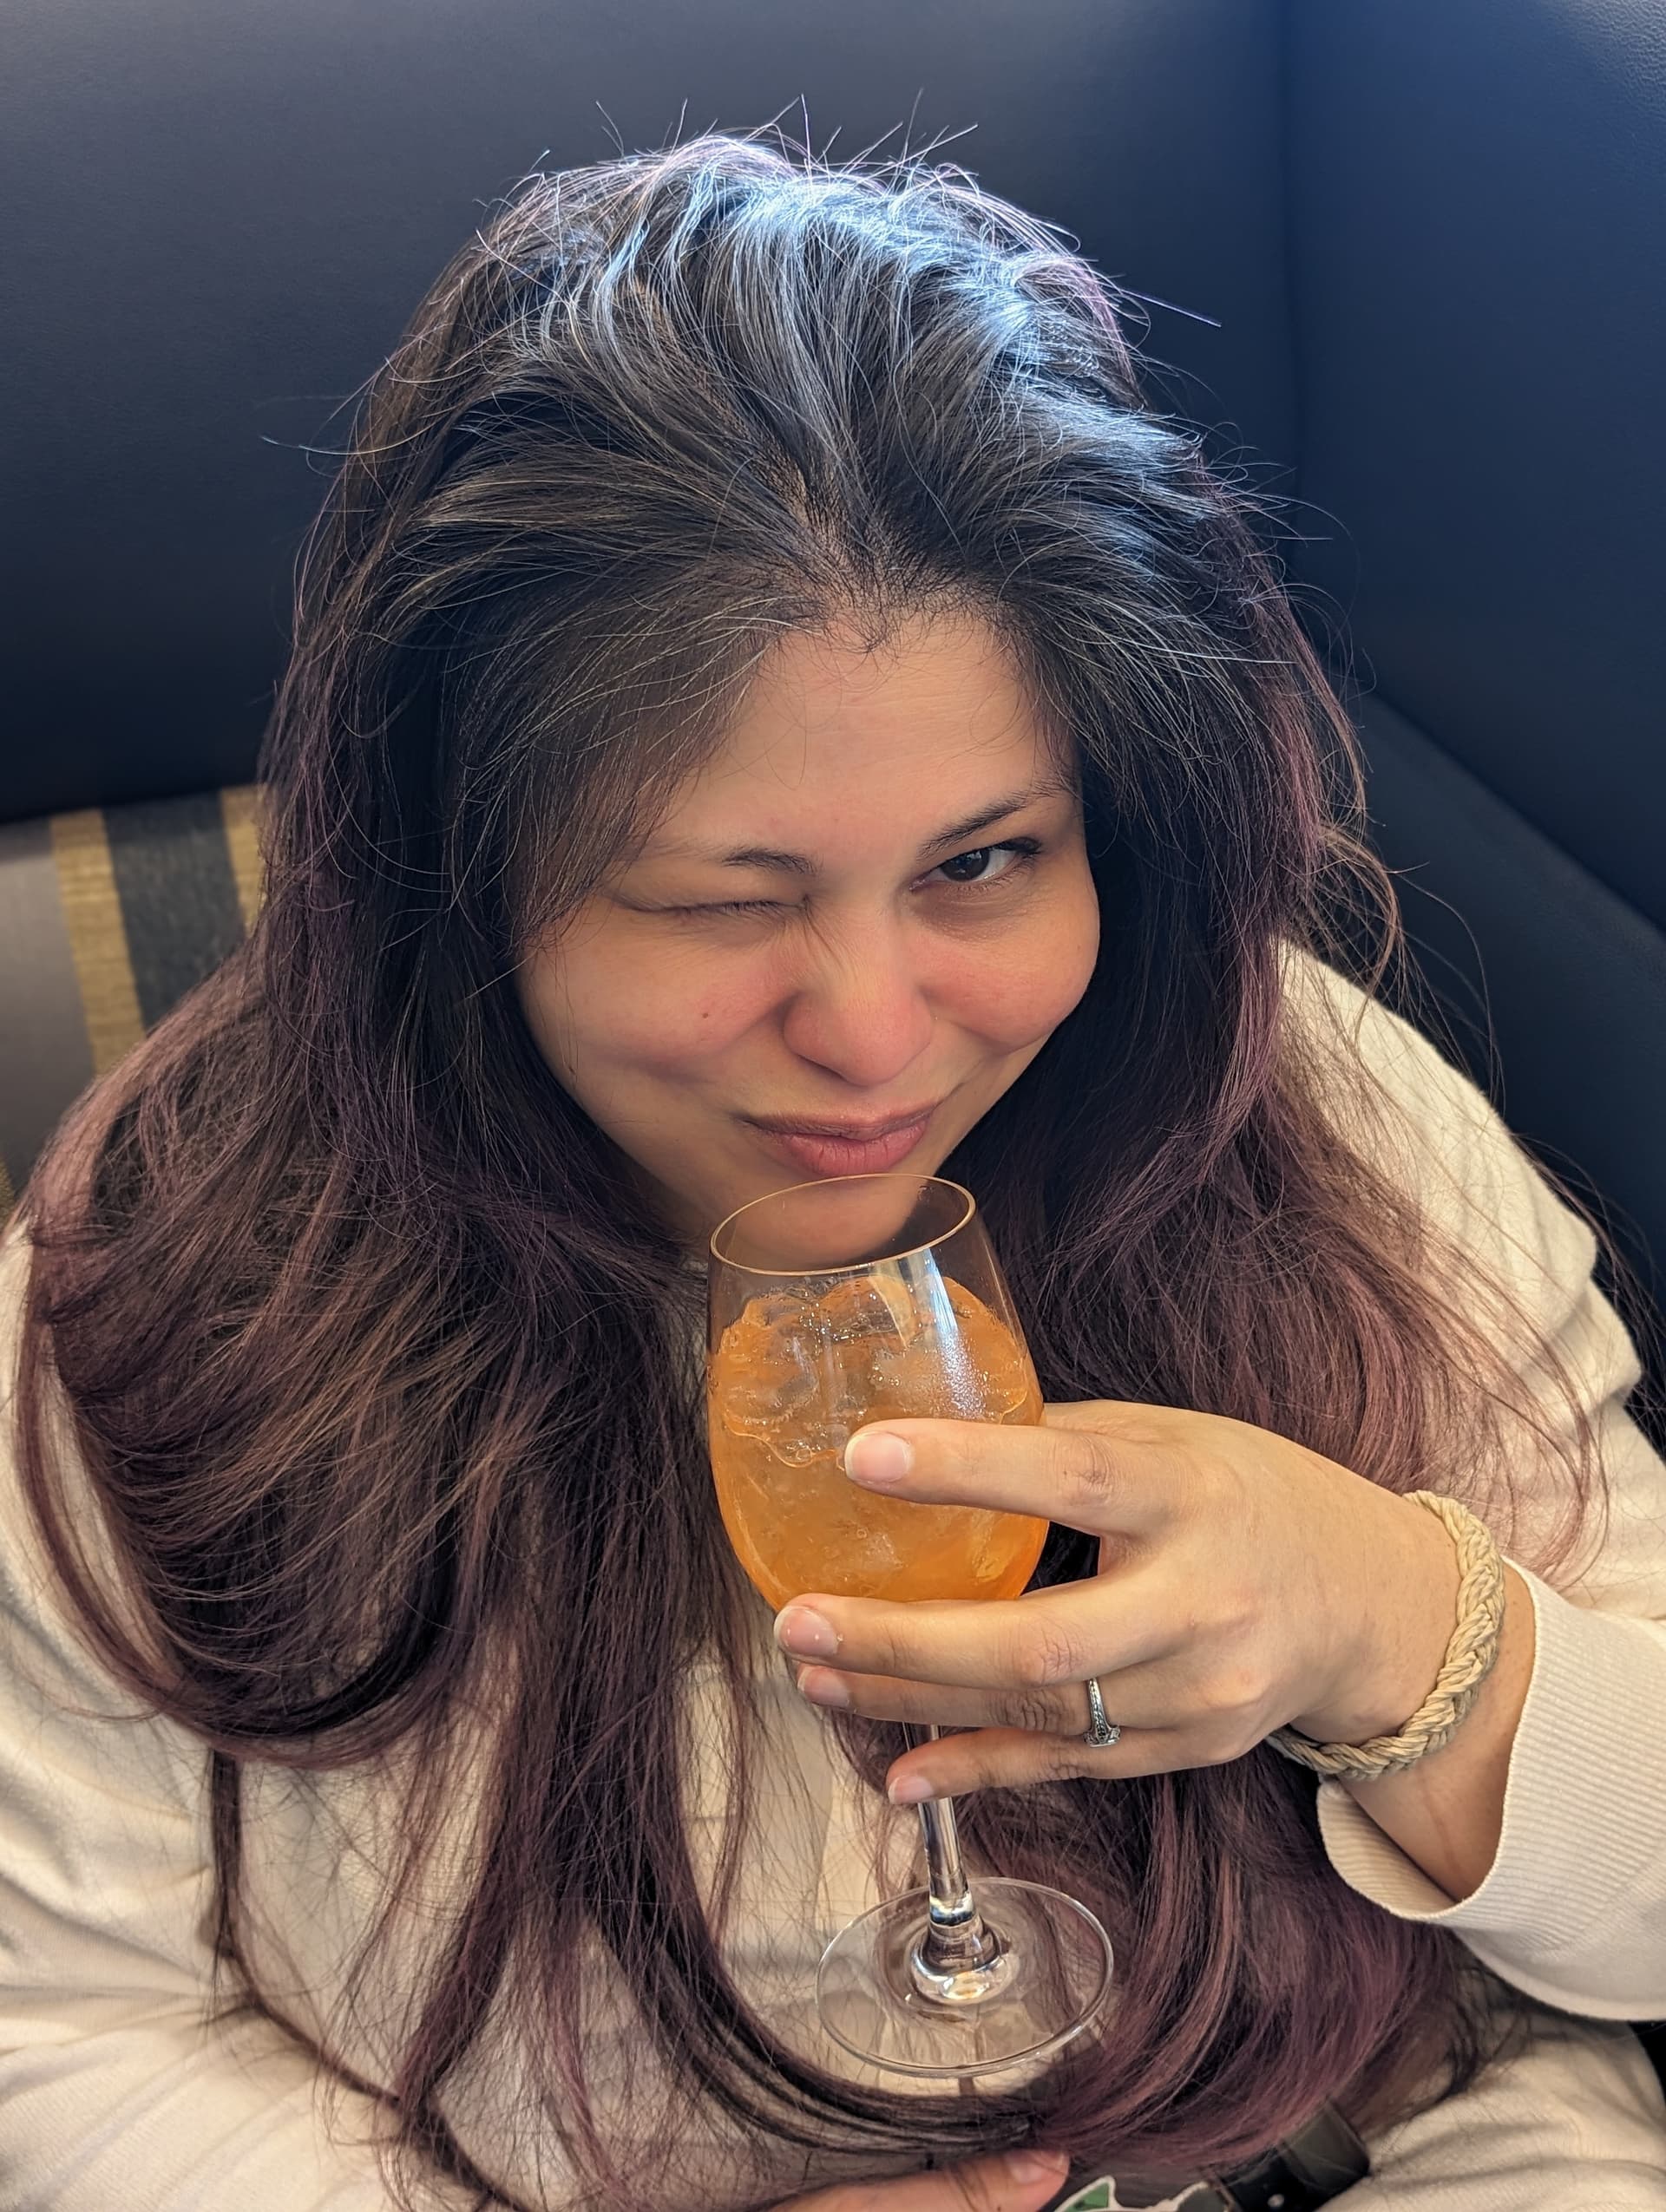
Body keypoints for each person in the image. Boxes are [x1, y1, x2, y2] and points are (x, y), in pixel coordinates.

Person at [2, 131, 1664, 2212]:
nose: (878, 1038)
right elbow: (57, 2036)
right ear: (446, 885)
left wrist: (1393, 1627)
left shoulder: (1299, 1106)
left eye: (984, 863)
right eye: (721, 901)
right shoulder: (155, 1317)